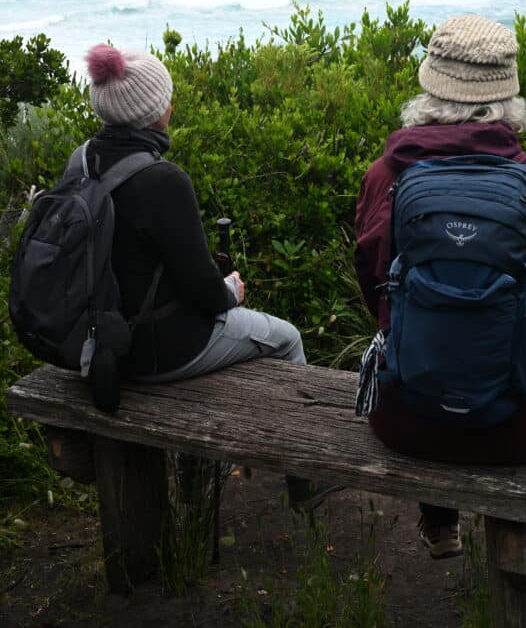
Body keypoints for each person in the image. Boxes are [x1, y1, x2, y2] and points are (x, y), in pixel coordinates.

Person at [354, 14, 526, 579]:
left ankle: (439, 519)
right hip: (523, 426)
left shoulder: (384, 176)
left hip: (407, 419)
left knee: (429, 347)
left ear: (430, 87)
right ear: (507, 97)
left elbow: (377, 293)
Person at [84, 43, 337, 510]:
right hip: (157, 354)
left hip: (98, 346)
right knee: (287, 338)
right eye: (166, 100)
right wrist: (230, 291)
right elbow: (205, 293)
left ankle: (205, 474)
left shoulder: (81, 163)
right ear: (154, 112)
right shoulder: (163, 180)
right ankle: (304, 477)